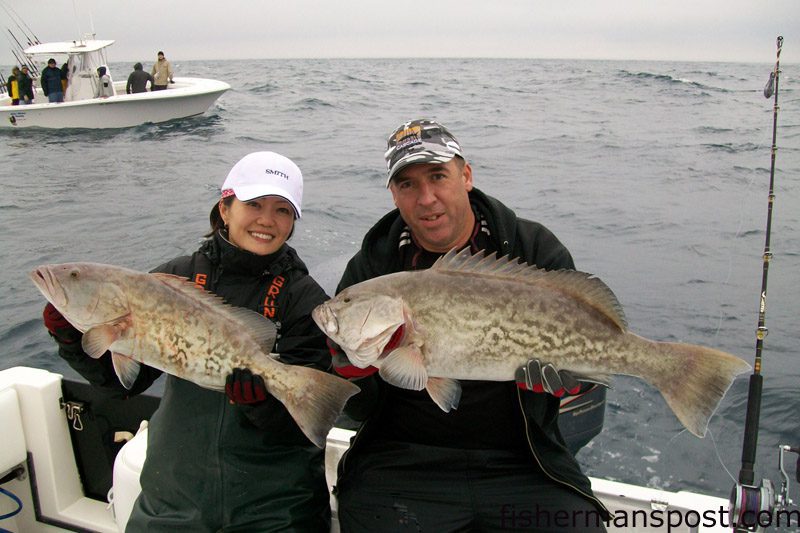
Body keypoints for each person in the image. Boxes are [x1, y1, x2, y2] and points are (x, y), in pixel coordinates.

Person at [330, 119, 609, 532]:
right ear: (393, 195)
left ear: (466, 176)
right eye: (407, 184)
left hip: (522, 459)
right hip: (402, 460)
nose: (426, 198)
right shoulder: (371, 269)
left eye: (438, 176)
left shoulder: (532, 249)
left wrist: (572, 382)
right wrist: (351, 367)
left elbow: (590, 347)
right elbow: (356, 407)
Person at [42, 151, 333, 532]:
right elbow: (122, 382)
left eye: (282, 210)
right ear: (225, 208)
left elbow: (303, 428)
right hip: (174, 499)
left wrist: (263, 403)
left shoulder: (303, 297)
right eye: (254, 204)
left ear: (292, 223)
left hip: (276, 508)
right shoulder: (173, 278)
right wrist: (69, 336)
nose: (267, 219)